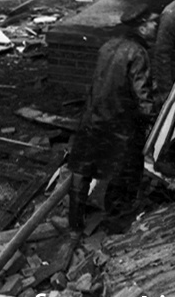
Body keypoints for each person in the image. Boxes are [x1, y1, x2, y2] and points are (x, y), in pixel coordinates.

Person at [67, 17, 157, 234]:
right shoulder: (137, 53)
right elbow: (141, 94)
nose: (156, 27)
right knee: (124, 174)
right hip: (120, 124)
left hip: (92, 117)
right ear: (142, 27)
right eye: (154, 23)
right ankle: (116, 227)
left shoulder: (107, 46)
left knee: (83, 169)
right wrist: (151, 119)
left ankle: (75, 224)